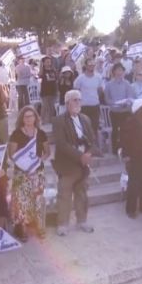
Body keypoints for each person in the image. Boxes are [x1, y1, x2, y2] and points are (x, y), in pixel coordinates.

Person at [52, 90, 98, 236]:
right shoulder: (59, 121)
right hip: (67, 164)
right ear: (67, 103)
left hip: (83, 164)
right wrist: (80, 156)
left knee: (82, 193)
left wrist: (89, 153)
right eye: (74, 100)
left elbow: (92, 139)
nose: (78, 103)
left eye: (79, 100)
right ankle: (63, 224)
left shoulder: (85, 119)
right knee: (64, 194)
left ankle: (82, 221)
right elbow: (61, 144)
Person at [8, 106, 50, 241]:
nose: (29, 119)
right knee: (21, 200)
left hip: (37, 171)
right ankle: (22, 230)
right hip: (21, 172)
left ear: (35, 118)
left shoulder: (41, 133)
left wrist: (38, 161)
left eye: (31, 116)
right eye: (26, 116)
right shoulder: (16, 134)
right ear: (22, 119)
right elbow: (11, 154)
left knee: (38, 199)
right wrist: (25, 165)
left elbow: (47, 152)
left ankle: (40, 227)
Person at [120, 99, 142, 218]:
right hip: (135, 157)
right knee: (133, 184)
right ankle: (131, 209)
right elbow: (125, 140)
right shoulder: (129, 122)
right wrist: (126, 156)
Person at [104, 63, 134, 154]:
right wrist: (114, 103)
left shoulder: (127, 83)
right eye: (118, 70)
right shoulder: (109, 84)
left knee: (126, 130)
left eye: (121, 70)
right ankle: (115, 150)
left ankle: (126, 149)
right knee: (115, 130)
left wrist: (126, 103)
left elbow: (130, 97)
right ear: (114, 72)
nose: (120, 72)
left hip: (125, 111)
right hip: (115, 111)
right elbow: (107, 99)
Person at [73, 57, 103, 132]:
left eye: (93, 65)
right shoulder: (80, 78)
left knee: (95, 127)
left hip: (95, 106)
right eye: (89, 65)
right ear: (85, 66)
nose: (91, 66)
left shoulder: (98, 77)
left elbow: (100, 90)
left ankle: (94, 143)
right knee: (85, 128)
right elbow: (76, 91)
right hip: (84, 107)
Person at [39, 56, 58, 124]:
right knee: (45, 106)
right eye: (47, 61)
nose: (48, 63)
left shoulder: (53, 70)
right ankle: (42, 120)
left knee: (51, 106)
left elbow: (56, 79)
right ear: (44, 63)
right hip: (45, 90)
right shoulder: (43, 70)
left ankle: (51, 120)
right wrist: (41, 65)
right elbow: (40, 75)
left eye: (49, 61)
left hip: (53, 90)